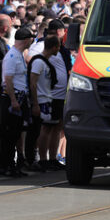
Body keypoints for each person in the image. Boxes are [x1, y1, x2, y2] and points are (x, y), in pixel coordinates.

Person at [0, 27, 34, 177]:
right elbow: (8, 79)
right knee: (10, 134)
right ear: (26, 40)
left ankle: (13, 165)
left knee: (16, 134)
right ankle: (7, 165)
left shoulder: (19, 55)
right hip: (12, 98)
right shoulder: (12, 56)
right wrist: (13, 100)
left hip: (20, 97)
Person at [28, 36, 63, 171]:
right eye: (58, 46)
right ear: (54, 47)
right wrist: (35, 103)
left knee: (50, 128)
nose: (59, 49)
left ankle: (49, 159)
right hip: (41, 101)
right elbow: (33, 83)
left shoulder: (46, 62)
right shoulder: (38, 62)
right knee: (43, 130)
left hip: (48, 99)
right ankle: (41, 159)